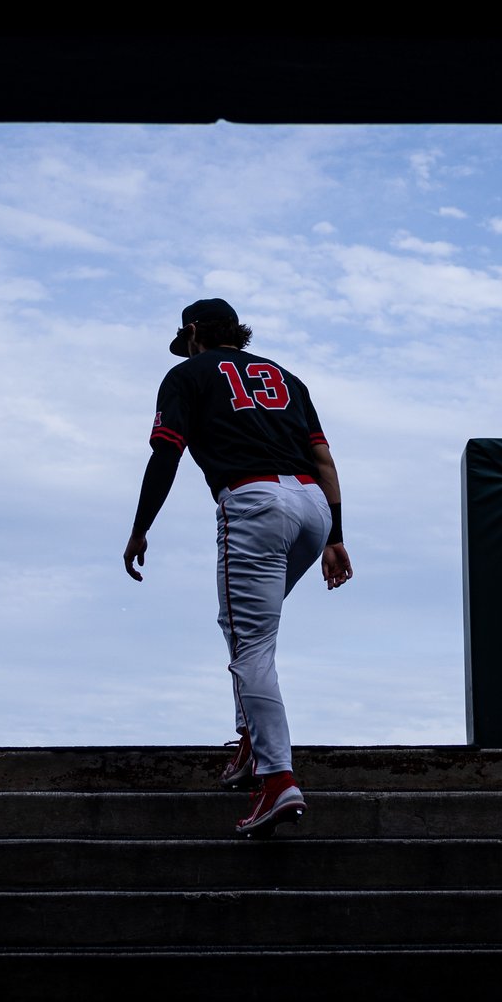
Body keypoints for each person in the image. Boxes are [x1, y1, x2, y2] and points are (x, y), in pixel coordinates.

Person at [123, 298, 352, 835]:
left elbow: (166, 453)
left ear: (195, 330)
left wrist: (140, 527)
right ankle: (252, 743)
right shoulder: (286, 377)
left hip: (254, 505)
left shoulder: (186, 373)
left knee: (251, 645)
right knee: (244, 627)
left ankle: (276, 779)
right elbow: (324, 462)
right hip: (313, 507)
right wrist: (336, 537)